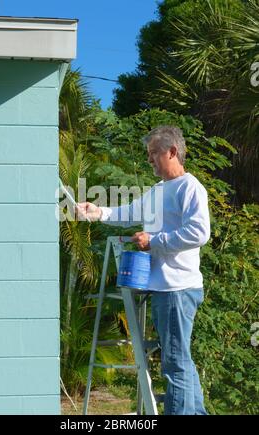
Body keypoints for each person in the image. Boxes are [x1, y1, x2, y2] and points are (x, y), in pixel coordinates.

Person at [77, 126, 210, 415]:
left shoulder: (190, 187)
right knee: (180, 359)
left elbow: (199, 232)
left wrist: (155, 241)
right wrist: (97, 212)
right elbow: (130, 213)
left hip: (178, 288)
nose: (149, 159)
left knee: (175, 362)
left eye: (153, 153)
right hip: (163, 288)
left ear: (172, 151)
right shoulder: (158, 190)